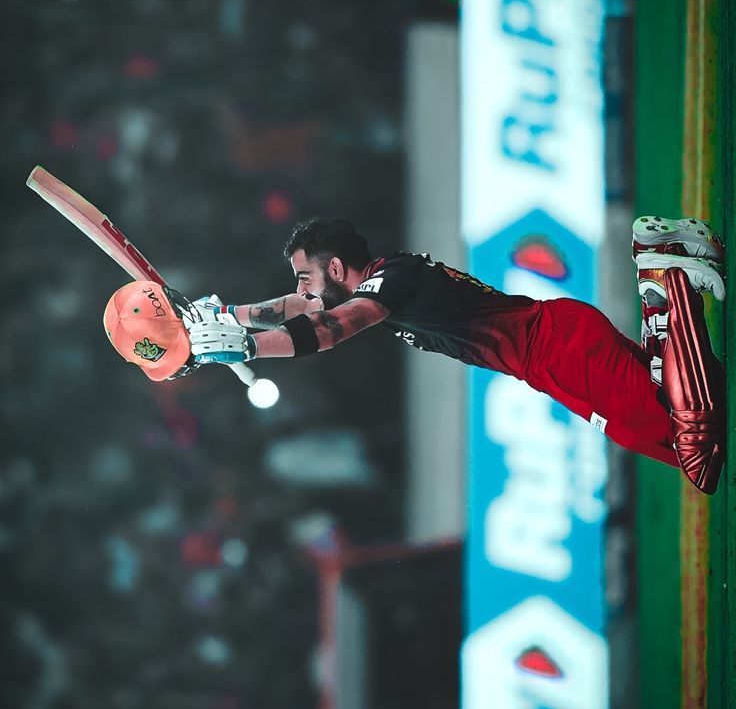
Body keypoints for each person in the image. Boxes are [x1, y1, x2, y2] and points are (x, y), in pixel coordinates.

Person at [103, 215, 726, 494]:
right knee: (680, 437)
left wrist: (244, 346)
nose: (301, 293)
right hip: (550, 359)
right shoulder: (379, 282)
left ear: (338, 268)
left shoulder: (388, 282)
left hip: (557, 346)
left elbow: (330, 329)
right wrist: (219, 324)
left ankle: (666, 266)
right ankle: (661, 296)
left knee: (691, 443)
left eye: (305, 278)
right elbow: (300, 311)